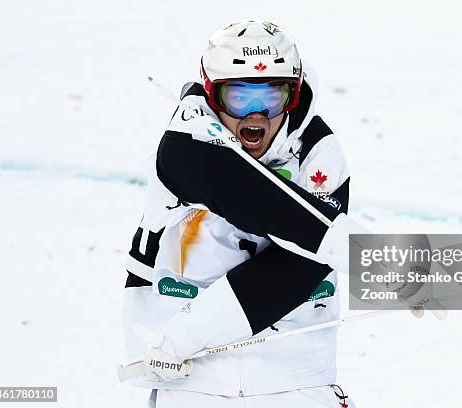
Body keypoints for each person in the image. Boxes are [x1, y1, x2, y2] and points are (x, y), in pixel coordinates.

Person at [123, 20, 360, 407]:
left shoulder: (318, 148)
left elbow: (299, 268)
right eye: (238, 97)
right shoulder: (187, 143)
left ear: (294, 95)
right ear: (213, 94)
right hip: (187, 372)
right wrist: (375, 258)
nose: (256, 115)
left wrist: (398, 267)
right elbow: (256, 198)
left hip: (296, 376)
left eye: (272, 96)